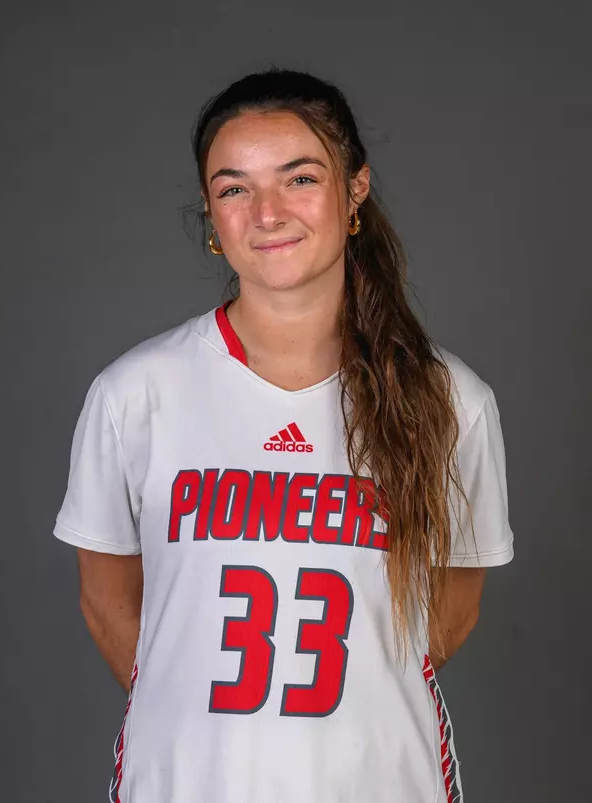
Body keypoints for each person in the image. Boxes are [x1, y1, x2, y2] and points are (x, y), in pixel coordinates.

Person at [53, 67, 515, 803]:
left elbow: (456, 596)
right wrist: (208, 712)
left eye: (299, 178)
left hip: (382, 778)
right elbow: (106, 601)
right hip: (184, 779)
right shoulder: (134, 393)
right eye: (233, 188)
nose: (266, 212)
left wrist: (357, 687)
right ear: (210, 211)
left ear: (354, 189)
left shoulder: (447, 397)